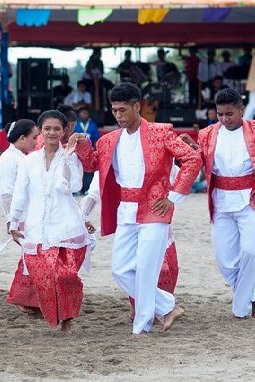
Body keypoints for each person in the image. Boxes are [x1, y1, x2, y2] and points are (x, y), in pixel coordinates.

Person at [79, 83, 202, 336]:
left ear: (137, 106)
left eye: (123, 109)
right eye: (114, 110)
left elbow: (192, 158)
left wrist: (174, 197)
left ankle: (142, 327)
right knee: (120, 270)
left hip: (155, 209)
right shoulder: (108, 140)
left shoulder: (161, 132)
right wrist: (81, 143)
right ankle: (168, 307)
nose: (118, 115)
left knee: (146, 268)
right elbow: (92, 164)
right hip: (125, 210)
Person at [9, 110, 87, 331]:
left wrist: (67, 158)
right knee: (44, 276)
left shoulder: (71, 157)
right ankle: (56, 316)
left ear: (64, 131)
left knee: (66, 275)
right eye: (47, 128)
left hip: (66, 226)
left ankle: (68, 317)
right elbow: (20, 193)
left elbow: (73, 187)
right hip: (37, 229)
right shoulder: (29, 161)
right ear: (40, 131)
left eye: (57, 129)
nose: (52, 132)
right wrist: (13, 222)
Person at [183, 88, 255, 319]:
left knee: (251, 251)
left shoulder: (254, 131)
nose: (224, 119)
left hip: (250, 200)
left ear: (241, 110)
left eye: (229, 114)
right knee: (225, 261)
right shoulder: (206, 134)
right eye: (220, 114)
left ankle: (241, 308)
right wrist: (191, 149)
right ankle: (250, 296)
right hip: (221, 202)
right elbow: (200, 159)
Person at [81, 169, 180, 321]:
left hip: (157, 219)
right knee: (131, 270)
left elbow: (180, 176)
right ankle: (151, 309)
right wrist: (84, 216)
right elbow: (94, 190)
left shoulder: (160, 151)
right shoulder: (112, 155)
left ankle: (160, 309)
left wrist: (172, 198)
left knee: (166, 269)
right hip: (129, 224)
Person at [0, 119, 41, 314]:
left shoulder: (21, 157)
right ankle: (23, 298)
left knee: (34, 256)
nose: (36, 141)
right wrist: (11, 222)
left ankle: (30, 298)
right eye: (34, 137)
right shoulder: (8, 159)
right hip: (21, 216)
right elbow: (6, 194)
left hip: (30, 214)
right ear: (22, 138)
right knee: (31, 256)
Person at [75, 107, 100, 194]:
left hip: (90, 149)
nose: (84, 115)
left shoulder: (93, 124)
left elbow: (96, 137)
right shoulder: (76, 124)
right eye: (83, 113)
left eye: (86, 113)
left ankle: (87, 189)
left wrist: (95, 148)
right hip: (77, 150)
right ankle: (77, 189)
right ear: (79, 114)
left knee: (88, 170)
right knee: (77, 169)